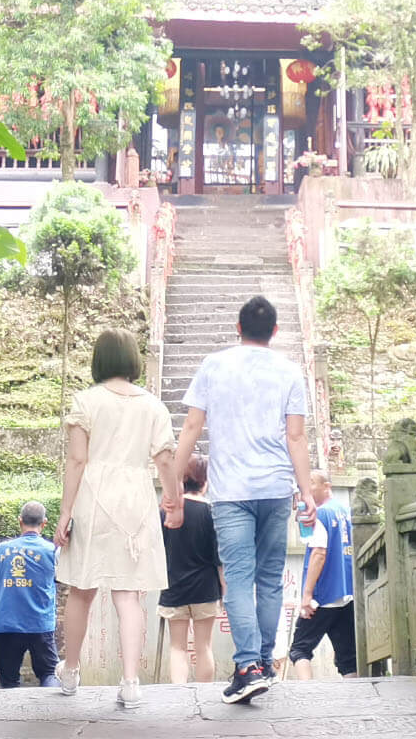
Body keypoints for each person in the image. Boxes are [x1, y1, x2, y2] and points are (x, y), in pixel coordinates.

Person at [169, 295, 317, 705]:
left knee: (237, 578)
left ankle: (248, 665)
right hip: (275, 489)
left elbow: (192, 427)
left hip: (231, 492)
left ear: (237, 328)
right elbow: (296, 436)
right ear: (274, 331)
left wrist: (171, 484)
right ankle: (263, 664)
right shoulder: (289, 371)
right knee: (268, 580)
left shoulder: (214, 365)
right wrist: (306, 491)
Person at [55, 328, 181, 708]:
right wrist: (174, 499)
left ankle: (71, 672)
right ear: (133, 361)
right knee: (129, 595)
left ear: (99, 360)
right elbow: (163, 459)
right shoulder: (153, 405)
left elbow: (77, 460)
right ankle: (130, 682)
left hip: (93, 497)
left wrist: (64, 512)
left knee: (81, 589)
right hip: (135, 498)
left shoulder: (86, 401)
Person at [157, 453, 223, 684]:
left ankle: (180, 697)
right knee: (204, 646)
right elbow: (219, 560)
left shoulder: (165, 511)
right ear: (205, 481)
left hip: (173, 587)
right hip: (206, 589)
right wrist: (225, 592)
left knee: (177, 648)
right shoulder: (213, 513)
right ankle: (204, 696)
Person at [287, 470, 357, 679]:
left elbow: (318, 553)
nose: (306, 490)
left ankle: (308, 695)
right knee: (348, 657)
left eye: (311, 485)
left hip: (322, 595)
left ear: (327, 486)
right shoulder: (346, 511)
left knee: (299, 650)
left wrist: (307, 595)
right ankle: (358, 699)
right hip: (345, 593)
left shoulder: (322, 514)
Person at [0, 501, 60, 689]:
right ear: (44, 523)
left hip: (6, 623)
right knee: (49, 673)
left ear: (20, 521)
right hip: (40, 623)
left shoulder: (0, 551)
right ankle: (49, 714)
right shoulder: (53, 551)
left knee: (8, 680)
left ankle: (12, 716)